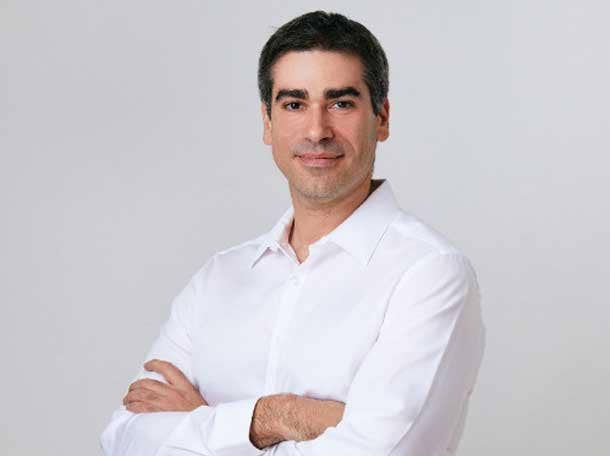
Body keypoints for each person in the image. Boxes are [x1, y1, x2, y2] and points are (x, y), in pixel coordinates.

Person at [100, 10, 486, 456]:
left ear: (381, 118)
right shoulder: (218, 278)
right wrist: (278, 416)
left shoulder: (428, 273)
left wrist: (202, 423)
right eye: (294, 105)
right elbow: (124, 439)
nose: (317, 131)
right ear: (268, 122)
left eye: (341, 103)